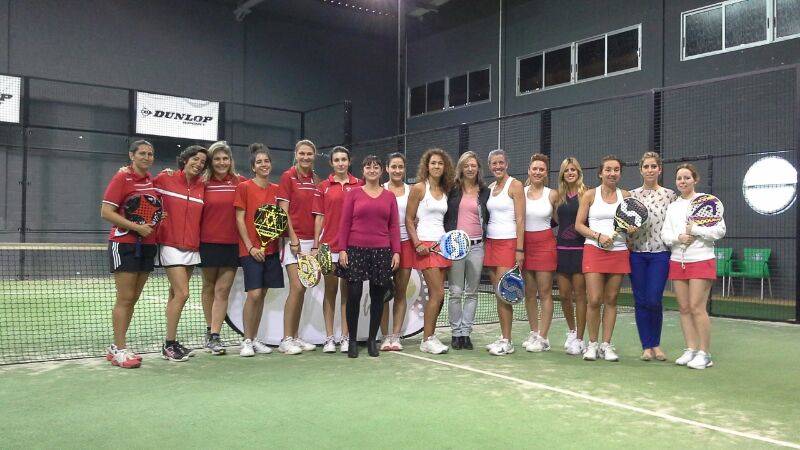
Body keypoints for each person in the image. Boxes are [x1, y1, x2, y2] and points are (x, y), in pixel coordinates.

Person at [100, 140, 159, 368]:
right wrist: (136, 227)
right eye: (142, 153)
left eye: (150, 154)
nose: (146, 157)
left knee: (133, 298)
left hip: (147, 245)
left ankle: (117, 347)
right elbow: (106, 212)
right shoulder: (122, 178)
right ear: (131, 155)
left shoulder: (151, 181)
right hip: (124, 244)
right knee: (125, 298)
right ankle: (120, 349)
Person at [662, 163, 725, 370]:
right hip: (678, 261)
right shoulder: (673, 207)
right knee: (684, 308)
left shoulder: (707, 202)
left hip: (701, 259)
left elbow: (719, 231)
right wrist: (678, 237)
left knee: (697, 307)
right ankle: (691, 349)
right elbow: (665, 234)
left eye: (687, 177)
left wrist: (696, 229)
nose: (683, 181)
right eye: (679, 178)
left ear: (695, 180)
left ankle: (705, 354)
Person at [338, 155, 401, 358]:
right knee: (354, 295)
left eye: (376, 167)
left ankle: (373, 340)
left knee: (377, 296)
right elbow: (345, 223)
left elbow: (393, 226)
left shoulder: (389, 197)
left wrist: (396, 251)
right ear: (363, 170)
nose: (372, 170)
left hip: (382, 251)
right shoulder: (353, 194)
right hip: (355, 250)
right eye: (368, 167)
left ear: (381, 171)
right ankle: (352, 340)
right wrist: (342, 249)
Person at [575, 155, 635, 362]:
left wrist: (632, 230)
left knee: (611, 300)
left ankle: (606, 345)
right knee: (594, 299)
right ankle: (592, 344)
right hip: (594, 250)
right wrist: (598, 236)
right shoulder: (590, 195)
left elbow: (631, 227)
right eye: (608, 169)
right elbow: (579, 225)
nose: (612, 173)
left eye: (616, 170)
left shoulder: (625, 196)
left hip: (619, 252)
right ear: (600, 173)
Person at [154, 145, 208, 362]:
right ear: (185, 160)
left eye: (202, 162)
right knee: (183, 293)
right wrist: (125, 170)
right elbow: (142, 188)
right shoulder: (165, 179)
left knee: (174, 294)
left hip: (192, 246)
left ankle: (170, 343)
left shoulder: (202, 186)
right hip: (170, 244)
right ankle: (169, 344)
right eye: (195, 159)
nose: (198, 164)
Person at [234, 144, 284, 357]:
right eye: (259, 162)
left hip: (271, 250)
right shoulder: (244, 187)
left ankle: (254, 339)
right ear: (253, 167)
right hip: (251, 251)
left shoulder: (277, 190)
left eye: (267, 161)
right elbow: (239, 219)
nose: (264, 165)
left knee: (262, 294)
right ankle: (246, 340)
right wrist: (250, 246)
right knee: (254, 294)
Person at [312, 146, 362, 353]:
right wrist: (316, 245)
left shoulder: (359, 185)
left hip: (351, 247)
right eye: (337, 160)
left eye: (344, 159)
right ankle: (329, 338)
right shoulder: (323, 187)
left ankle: (345, 337)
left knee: (347, 293)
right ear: (331, 163)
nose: (341, 163)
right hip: (327, 247)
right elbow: (319, 217)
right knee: (330, 291)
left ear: (349, 162)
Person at [406, 148, 455, 355]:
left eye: (440, 163)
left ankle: (430, 336)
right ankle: (427, 340)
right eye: (433, 163)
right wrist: (417, 244)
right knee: (438, 293)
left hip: (442, 246)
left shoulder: (444, 190)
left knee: (439, 296)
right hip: (425, 246)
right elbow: (409, 219)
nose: (436, 166)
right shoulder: (419, 188)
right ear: (427, 166)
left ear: (445, 167)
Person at [199, 141, 246, 355]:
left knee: (223, 290)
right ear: (211, 161)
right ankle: (210, 330)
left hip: (232, 245)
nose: (221, 162)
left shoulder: (240, 182)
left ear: (230, 160)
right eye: (217, 159)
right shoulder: (202, 183)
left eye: (225, 158)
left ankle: (215, 335)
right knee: (208, 287)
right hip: (207, 244)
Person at [629, 152, 676, 361]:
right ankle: (647, 346)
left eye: (653, 166)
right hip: (636, 255)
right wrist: (629, 231)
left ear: (659, 169)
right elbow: (624, 223)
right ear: (641, 170)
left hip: (660, 254)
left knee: (654, 299)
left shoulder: (670, 195)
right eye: (646, 166)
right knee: (640, 300)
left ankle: (656, 344)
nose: (650, 170)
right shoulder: (631, 195)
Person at [276, 139, 321, 355]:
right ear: (296, 154)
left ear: (314, 156)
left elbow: (319, 213)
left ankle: (295, 336)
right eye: (302, 153)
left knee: (303, 288)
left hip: (311, 242)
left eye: (309, 154)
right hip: (292, 241)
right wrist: (293, 238)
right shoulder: (288, 177)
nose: (305, 157)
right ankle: (285, 339)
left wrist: (316, 243)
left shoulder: (316, 180)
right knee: (297, 287)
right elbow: (283, 211)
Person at [442, 151, 488, 351]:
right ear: (460, 168)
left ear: (478, 168)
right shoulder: (452, 190)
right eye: (466, 165)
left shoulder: (485, 192)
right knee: (455, 292)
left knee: (472, 292)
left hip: (477, 247)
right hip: (455, 247)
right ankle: (456, 333)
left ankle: (466, 333)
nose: (470, 169)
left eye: (473, 165)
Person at [483, 149, 525, 356]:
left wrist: (519, 249)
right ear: (489, 166)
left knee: (505, 293)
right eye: (494, 163)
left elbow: (521, 219)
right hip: (491, 243)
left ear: (507, 164)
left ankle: (508, 341)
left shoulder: (515, 185)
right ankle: (503, 337)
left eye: (501, 162)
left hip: (509, 244)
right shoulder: (490, 188)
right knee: (497, 294)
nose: (497, 166)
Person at [521, 154, 559, 353]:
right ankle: (534, 332)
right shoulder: (520, 191)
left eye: (541, 169)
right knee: (529, 293)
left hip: (545, 245)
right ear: (529, 171)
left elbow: (560, 219)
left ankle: (544, 338)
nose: (537, 172)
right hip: (525, 245)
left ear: (546, 173)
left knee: (544, 293)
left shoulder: (552, 194)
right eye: (534, 168)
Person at [554, 157, 588, 356]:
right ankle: (572, 331)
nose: (570, 173)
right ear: (562, 174)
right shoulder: (558, 196)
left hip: (581, 251)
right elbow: (555, 219)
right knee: (565, 295)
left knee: (580, 295)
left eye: (573, 169)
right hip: (561, 251)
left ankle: (581, 339)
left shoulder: (586, 194)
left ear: (578, 172)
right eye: (567, 170)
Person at [380, 153, 412, 351]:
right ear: (387, 168)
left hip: (406, 244)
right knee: (384, 293)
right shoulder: (380, 189)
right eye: (394, 166)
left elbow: (415, 216)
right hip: (383, 245)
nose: (397, 170)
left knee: (400, 292)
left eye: (400, 167)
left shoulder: (411, 191)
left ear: (404, 169)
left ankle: (396, 336)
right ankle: (385, 337)